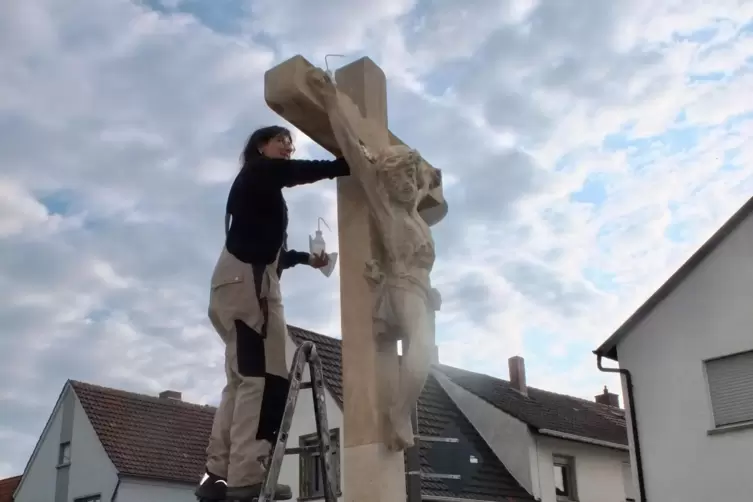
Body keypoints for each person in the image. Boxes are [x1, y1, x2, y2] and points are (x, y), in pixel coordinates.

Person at [195, 125, 349, 502]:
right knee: (264, 379)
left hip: (235, 284)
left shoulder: (256, 188)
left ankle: (218, 473)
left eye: (290, 143)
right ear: (260, 146)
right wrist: (343, 166)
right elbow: (293, 173)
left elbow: (272, 251)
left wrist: (305, 259)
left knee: (242, 379)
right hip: (249, 285)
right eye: (281, 140)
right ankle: (247, 472)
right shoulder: (260, 171)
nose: (288, 147)